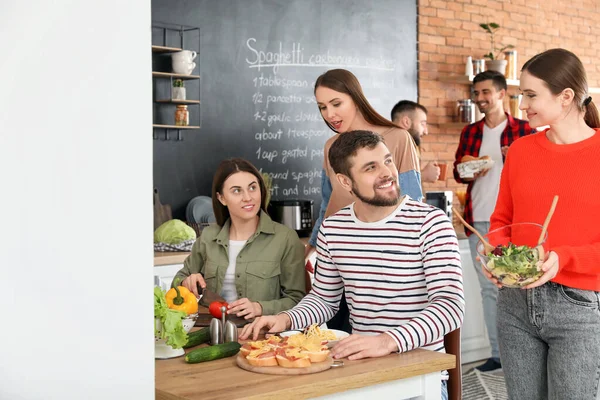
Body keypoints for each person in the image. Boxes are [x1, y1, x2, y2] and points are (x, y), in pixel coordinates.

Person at [241, 130, 464, 399]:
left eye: (388, 161)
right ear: (346, 182)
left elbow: (450, 306)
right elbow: (324, 300)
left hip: (420, 376)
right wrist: (284, 319)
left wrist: (387, 341)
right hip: (359, 368)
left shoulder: (430, 223)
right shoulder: (334, 228)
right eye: (371, 167)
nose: (387, 173)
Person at [483, 48, 600, 398]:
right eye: (521, 95)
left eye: (530, 95)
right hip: (515, 303)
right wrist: (493, 250)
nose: (522, 105)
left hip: (579, 307)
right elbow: (502, 220)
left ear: (566, 97)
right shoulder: (520, 150)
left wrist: (564, 258)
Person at [306, 69, 423, 333]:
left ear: (356, 98)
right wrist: (312, 247)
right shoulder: (330, 147)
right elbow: (328, 202)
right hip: (339, 256)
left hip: (382, 262)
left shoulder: (397, 138)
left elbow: (413, 202)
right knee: (337, 341)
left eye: (336, 104)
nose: (330, 115)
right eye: (322, 107)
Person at [452, 70, 534, 372]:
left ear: (501, 94)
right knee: (491, 289)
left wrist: (518, 159)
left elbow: (540, 175)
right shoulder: (470, 132)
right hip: (479, 220)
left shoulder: (526, 130)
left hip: (518, 221)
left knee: (522, 287)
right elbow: (458, 173)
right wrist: (472, 169)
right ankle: (499, 356)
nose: (480, 99)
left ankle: (525, 353)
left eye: (485, 92)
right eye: (476, 94)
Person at [174, 158, 306, 319]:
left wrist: (260, 308)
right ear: (221, 198)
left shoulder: (285, 239)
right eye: (237, 190)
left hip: (264, 338)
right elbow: (178, 281)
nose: (248, 197)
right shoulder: (208, 237)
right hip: (211, 332)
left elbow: (298, 300)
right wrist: (185, 282)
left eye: (252, 188)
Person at [391, 100, 441, 183]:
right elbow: (385, 184)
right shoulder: (386, 146)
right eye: (422, 124)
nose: (426, 132)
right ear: (406, 122)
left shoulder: (408, 147)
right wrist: (424, 175)